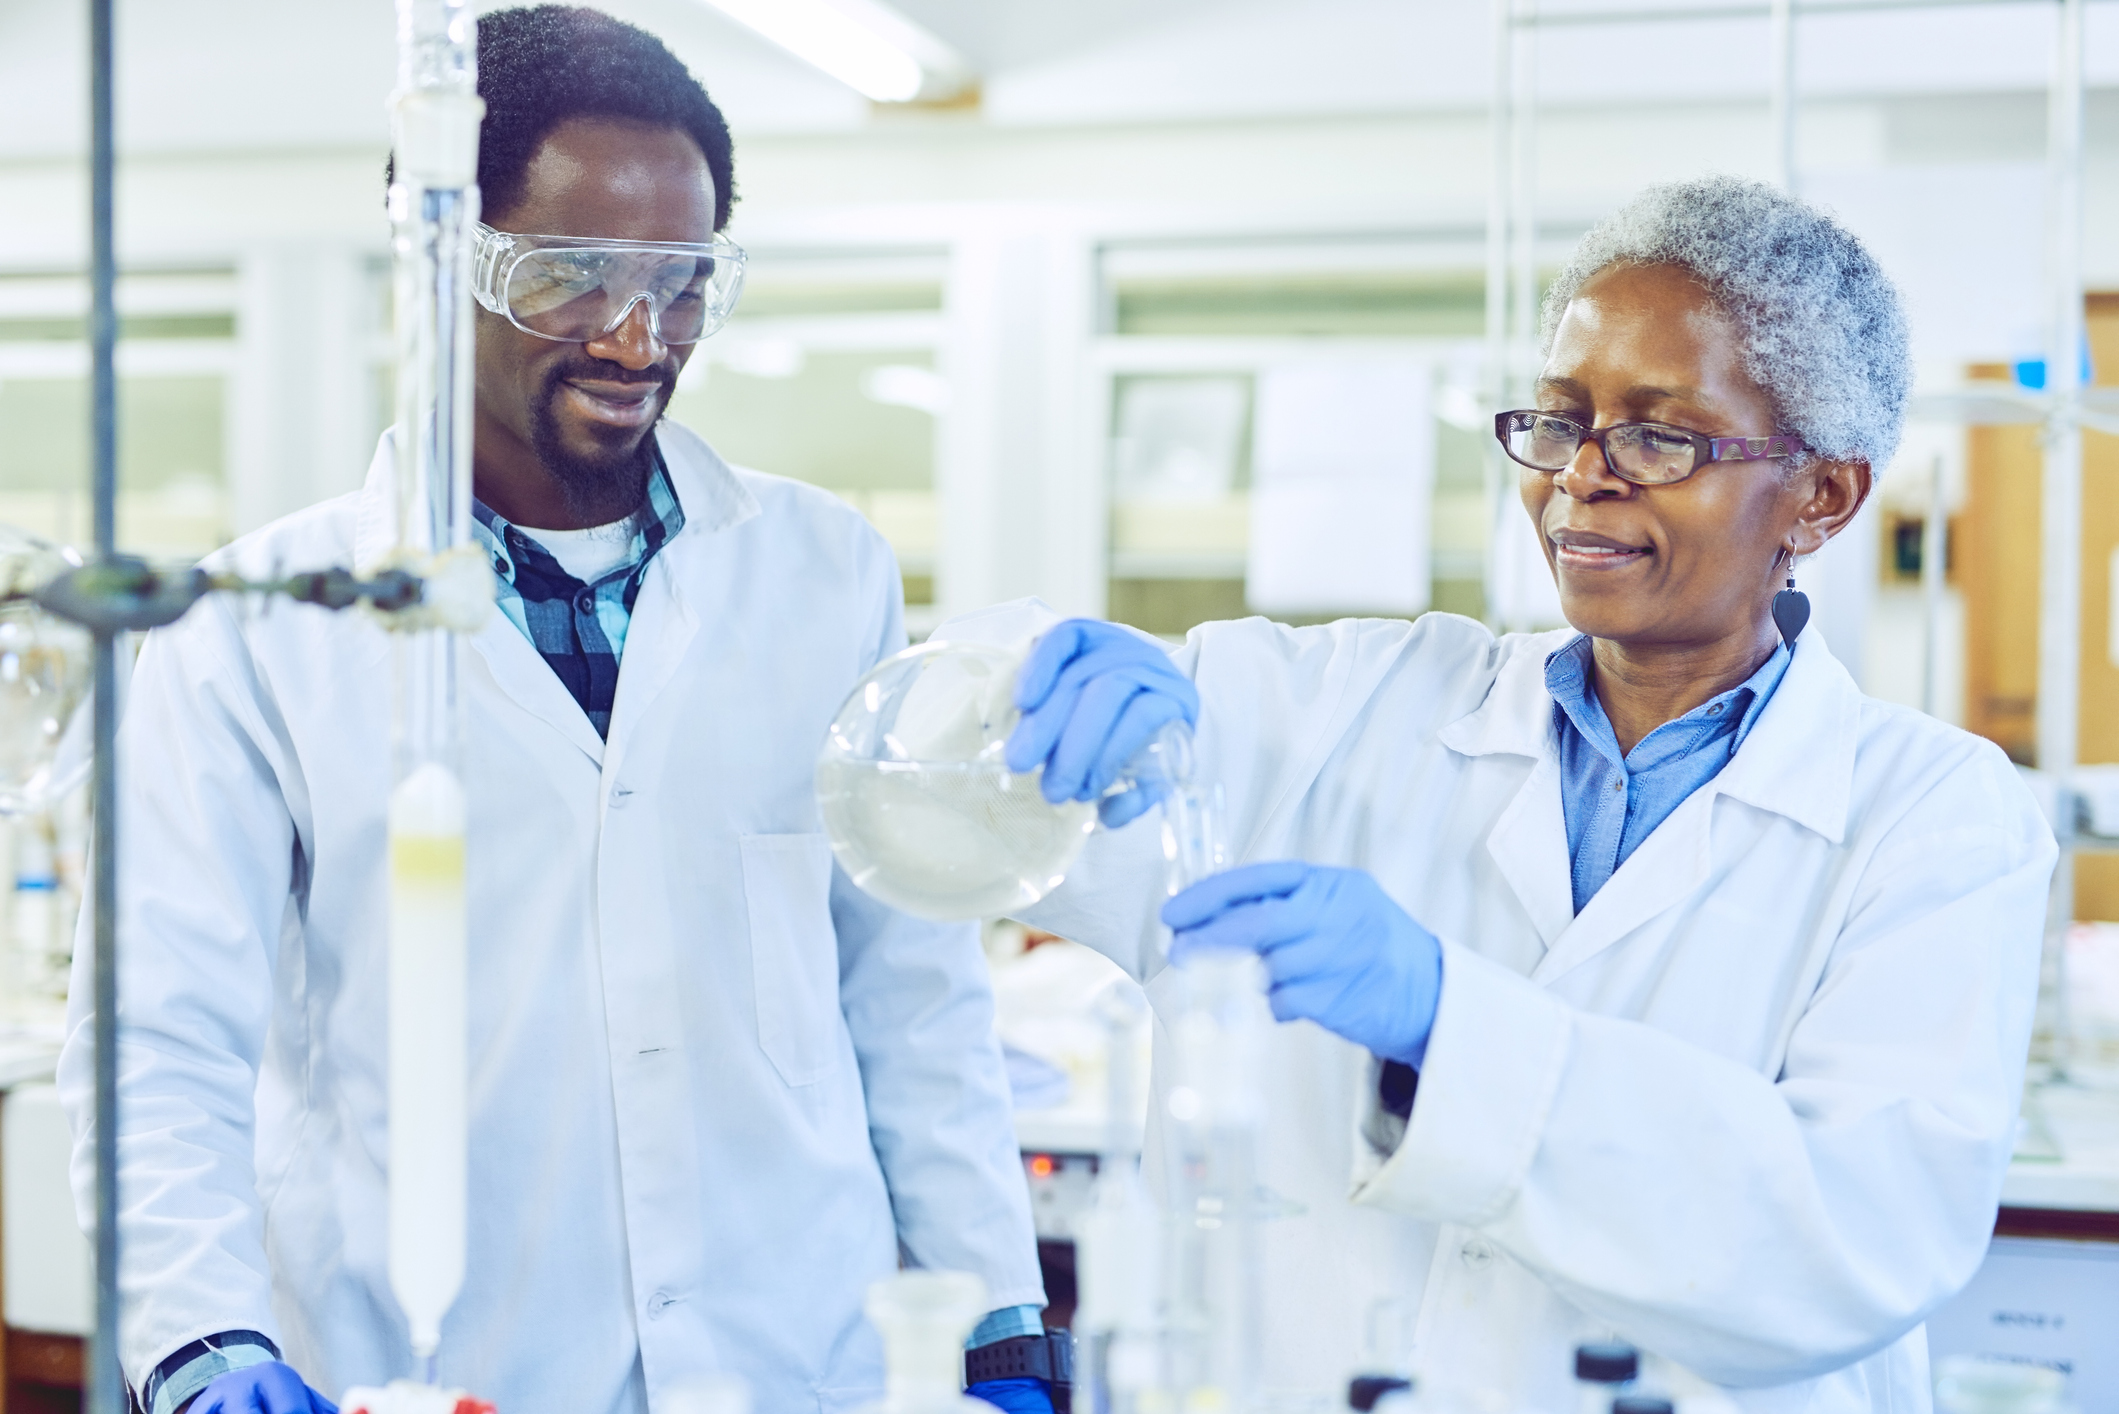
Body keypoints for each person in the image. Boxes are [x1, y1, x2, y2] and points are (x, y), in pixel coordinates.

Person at [57, 10, 1057, 1414]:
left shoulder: (824, 573)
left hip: (797, 1356)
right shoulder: (259, 618)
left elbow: (907, 985)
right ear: (438, 263)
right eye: (571, 275)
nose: (639, 335)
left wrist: (998, 1318)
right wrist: (202, 1345)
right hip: (435, 1360)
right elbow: (162, 1040)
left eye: (685, 279)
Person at [964, 177, 2055, 1411]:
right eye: (1558, 420)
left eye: (1660, 435)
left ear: (1822, 496)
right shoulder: (1339, 705)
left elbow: (1849, 1240)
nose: (1579, 478)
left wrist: (1449, 1027)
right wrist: (1011, 690)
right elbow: (935, 782)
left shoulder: (1936, 816)